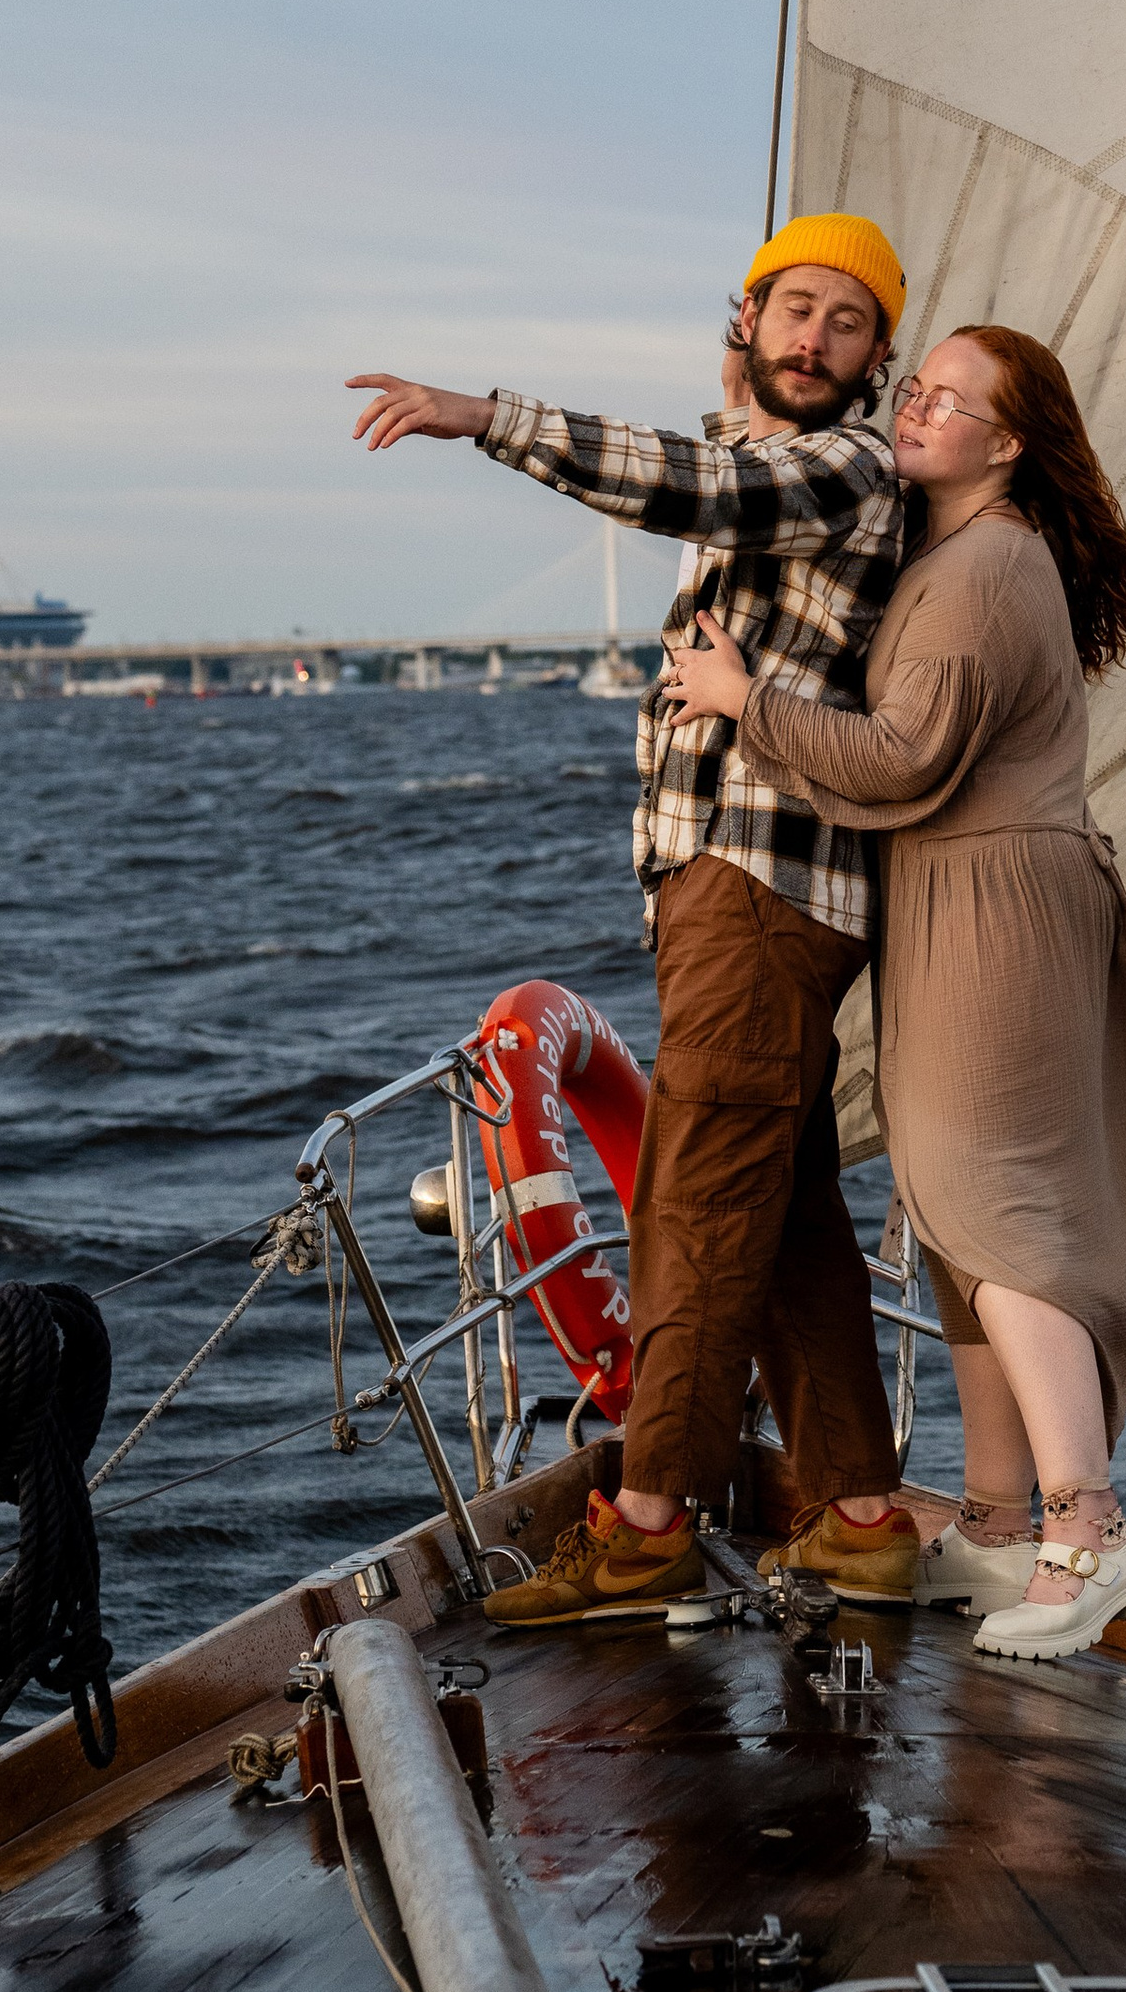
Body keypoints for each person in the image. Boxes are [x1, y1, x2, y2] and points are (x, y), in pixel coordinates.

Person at [346, 215, 924, 1619]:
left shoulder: (843, 465)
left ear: (879, 356)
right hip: (733, 888)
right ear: (752, 318)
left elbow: (698, 477)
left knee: (697, 1203)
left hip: (759, 884)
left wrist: (488, 416)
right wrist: (732, 367)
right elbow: (727, 447)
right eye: (792, 309)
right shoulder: (781, 456)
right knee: (785, 1212)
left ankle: (649, 1524)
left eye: (846, 322)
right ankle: (862, 1515)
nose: (813, 339)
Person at [667, 323, 1126, 1663]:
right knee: (955, 1214)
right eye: (919, 385)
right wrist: (742, 414)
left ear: (1007, 444)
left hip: (994, 904)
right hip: (967, 898)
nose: (917, 404)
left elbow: (901, 757)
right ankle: (1004, 1518)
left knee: (993, 1204)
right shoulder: (955, 552)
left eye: (947, 397)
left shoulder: (987, 565)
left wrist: (744, 696)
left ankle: (1091, 1526)